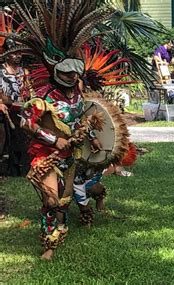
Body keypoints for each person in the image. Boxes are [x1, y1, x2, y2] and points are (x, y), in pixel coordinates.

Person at [5, 0, 105, 260]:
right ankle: (49, 245)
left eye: (75, 73)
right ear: (54, 68)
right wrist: (52, 139)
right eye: (68, 73)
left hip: (70, 156)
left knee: (63, 200)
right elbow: (27, 124)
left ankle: (61, 227)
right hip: (45, 155)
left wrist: (92, 138)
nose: (73, 78)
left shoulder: (77, 96)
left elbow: (81, 118)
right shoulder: (42, 97)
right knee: (50, 200)